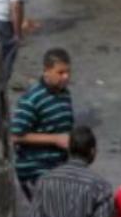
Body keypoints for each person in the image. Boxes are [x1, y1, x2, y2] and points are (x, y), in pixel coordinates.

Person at [10, 49, 75, 198]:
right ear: (47, 71)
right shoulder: (31, 100)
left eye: (68, 72)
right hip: (36, 169)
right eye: (60, 73)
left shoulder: (65, 94)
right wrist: (55, 139)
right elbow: (16, 136)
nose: (66, 77)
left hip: (59, 167)